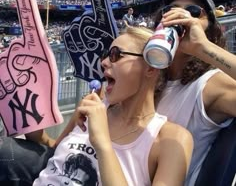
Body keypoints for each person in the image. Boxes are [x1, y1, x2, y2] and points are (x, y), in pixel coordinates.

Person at [0, 26, 193, 186]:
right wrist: (36, 131)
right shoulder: (91, 108)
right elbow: (55, 152)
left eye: (117, 55)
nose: (104, 62)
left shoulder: (172, 140)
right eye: (106, 54)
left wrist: (102, 142)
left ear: (151, 67)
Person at [153, 0, 236, 186]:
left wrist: (203, 48)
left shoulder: (210, 84)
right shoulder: (150, 78)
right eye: (169, 10)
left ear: (209, 29)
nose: (179, 16)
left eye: (193, 11)